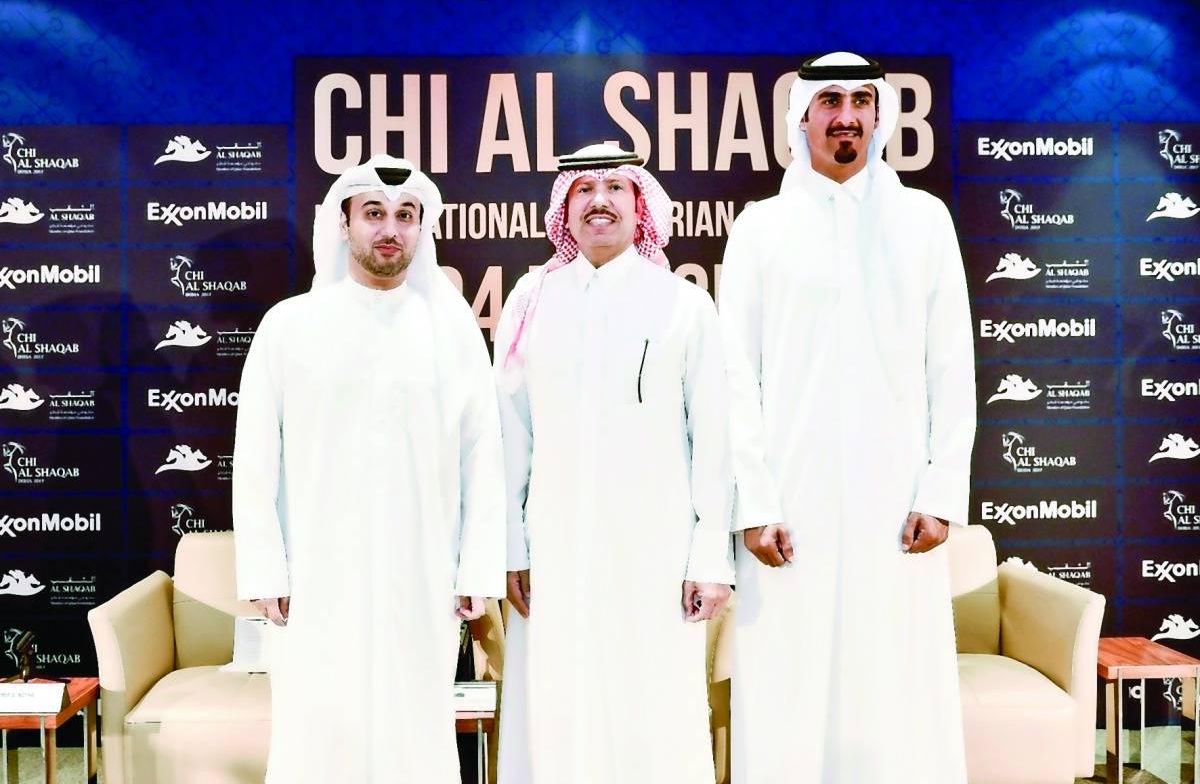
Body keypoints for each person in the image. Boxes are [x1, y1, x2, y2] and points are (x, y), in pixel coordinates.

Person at [719, 52, 976, 783]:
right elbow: (736, 378)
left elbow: (951, 368)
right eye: (829, 100)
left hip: (896, 510)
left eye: (861, 100)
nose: (846, 114)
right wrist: (754, 503)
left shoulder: (924, 222)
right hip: (787, 513)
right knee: (787, 693)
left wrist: (938, 494)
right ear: (802, 117)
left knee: (895, 692)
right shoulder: (760, 228)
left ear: (879, 116)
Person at [232, 154, 506, 783]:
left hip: (425, 570)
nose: (391, 229)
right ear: (344, 224)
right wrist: (266, 567)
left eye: (406, 215)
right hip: (315, 574)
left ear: (422, 228)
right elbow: (254, 459)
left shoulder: (451, 327)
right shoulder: (289, 326)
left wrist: (478, 568)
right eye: (375, 213)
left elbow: (481, 454)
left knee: (417, 727)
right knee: (316, 730)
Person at [495, 143, 734, 784]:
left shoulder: (683, 305)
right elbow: (509, 437)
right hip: (554, 550)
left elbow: (713, 441)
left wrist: (710, 558)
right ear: (564, 210)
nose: (599, 201)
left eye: (616, 189)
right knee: (555, 705)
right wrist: (512, 549)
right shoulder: (530, 302)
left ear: (640, 206)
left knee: (651, 709)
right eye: (583, 190)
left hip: (655, 553)